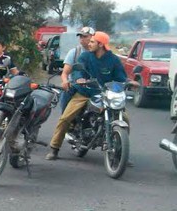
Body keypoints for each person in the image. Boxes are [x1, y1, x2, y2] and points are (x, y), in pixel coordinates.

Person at [46, 31, 127, 160]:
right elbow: (78, 70)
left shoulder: (114, 60)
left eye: (92, 42)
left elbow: (120, 77)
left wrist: (126, 83)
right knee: (65, 118)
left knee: (125, 119)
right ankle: (54, 148)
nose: (89, 44)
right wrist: (79, 79)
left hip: (105, 94)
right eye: (89, 41)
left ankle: (121, 153)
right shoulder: (85, 56)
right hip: (84, 92)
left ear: (100, 44)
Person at [59, 26, 95, 112]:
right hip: (76, 87)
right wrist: (65, 81)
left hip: (96, 88)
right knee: (65, 116)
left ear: (93, 37)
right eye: (80, 36)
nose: (82, 39)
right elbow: (65, 73)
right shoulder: (74, 52)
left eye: (85, 36)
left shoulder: (100, 53)